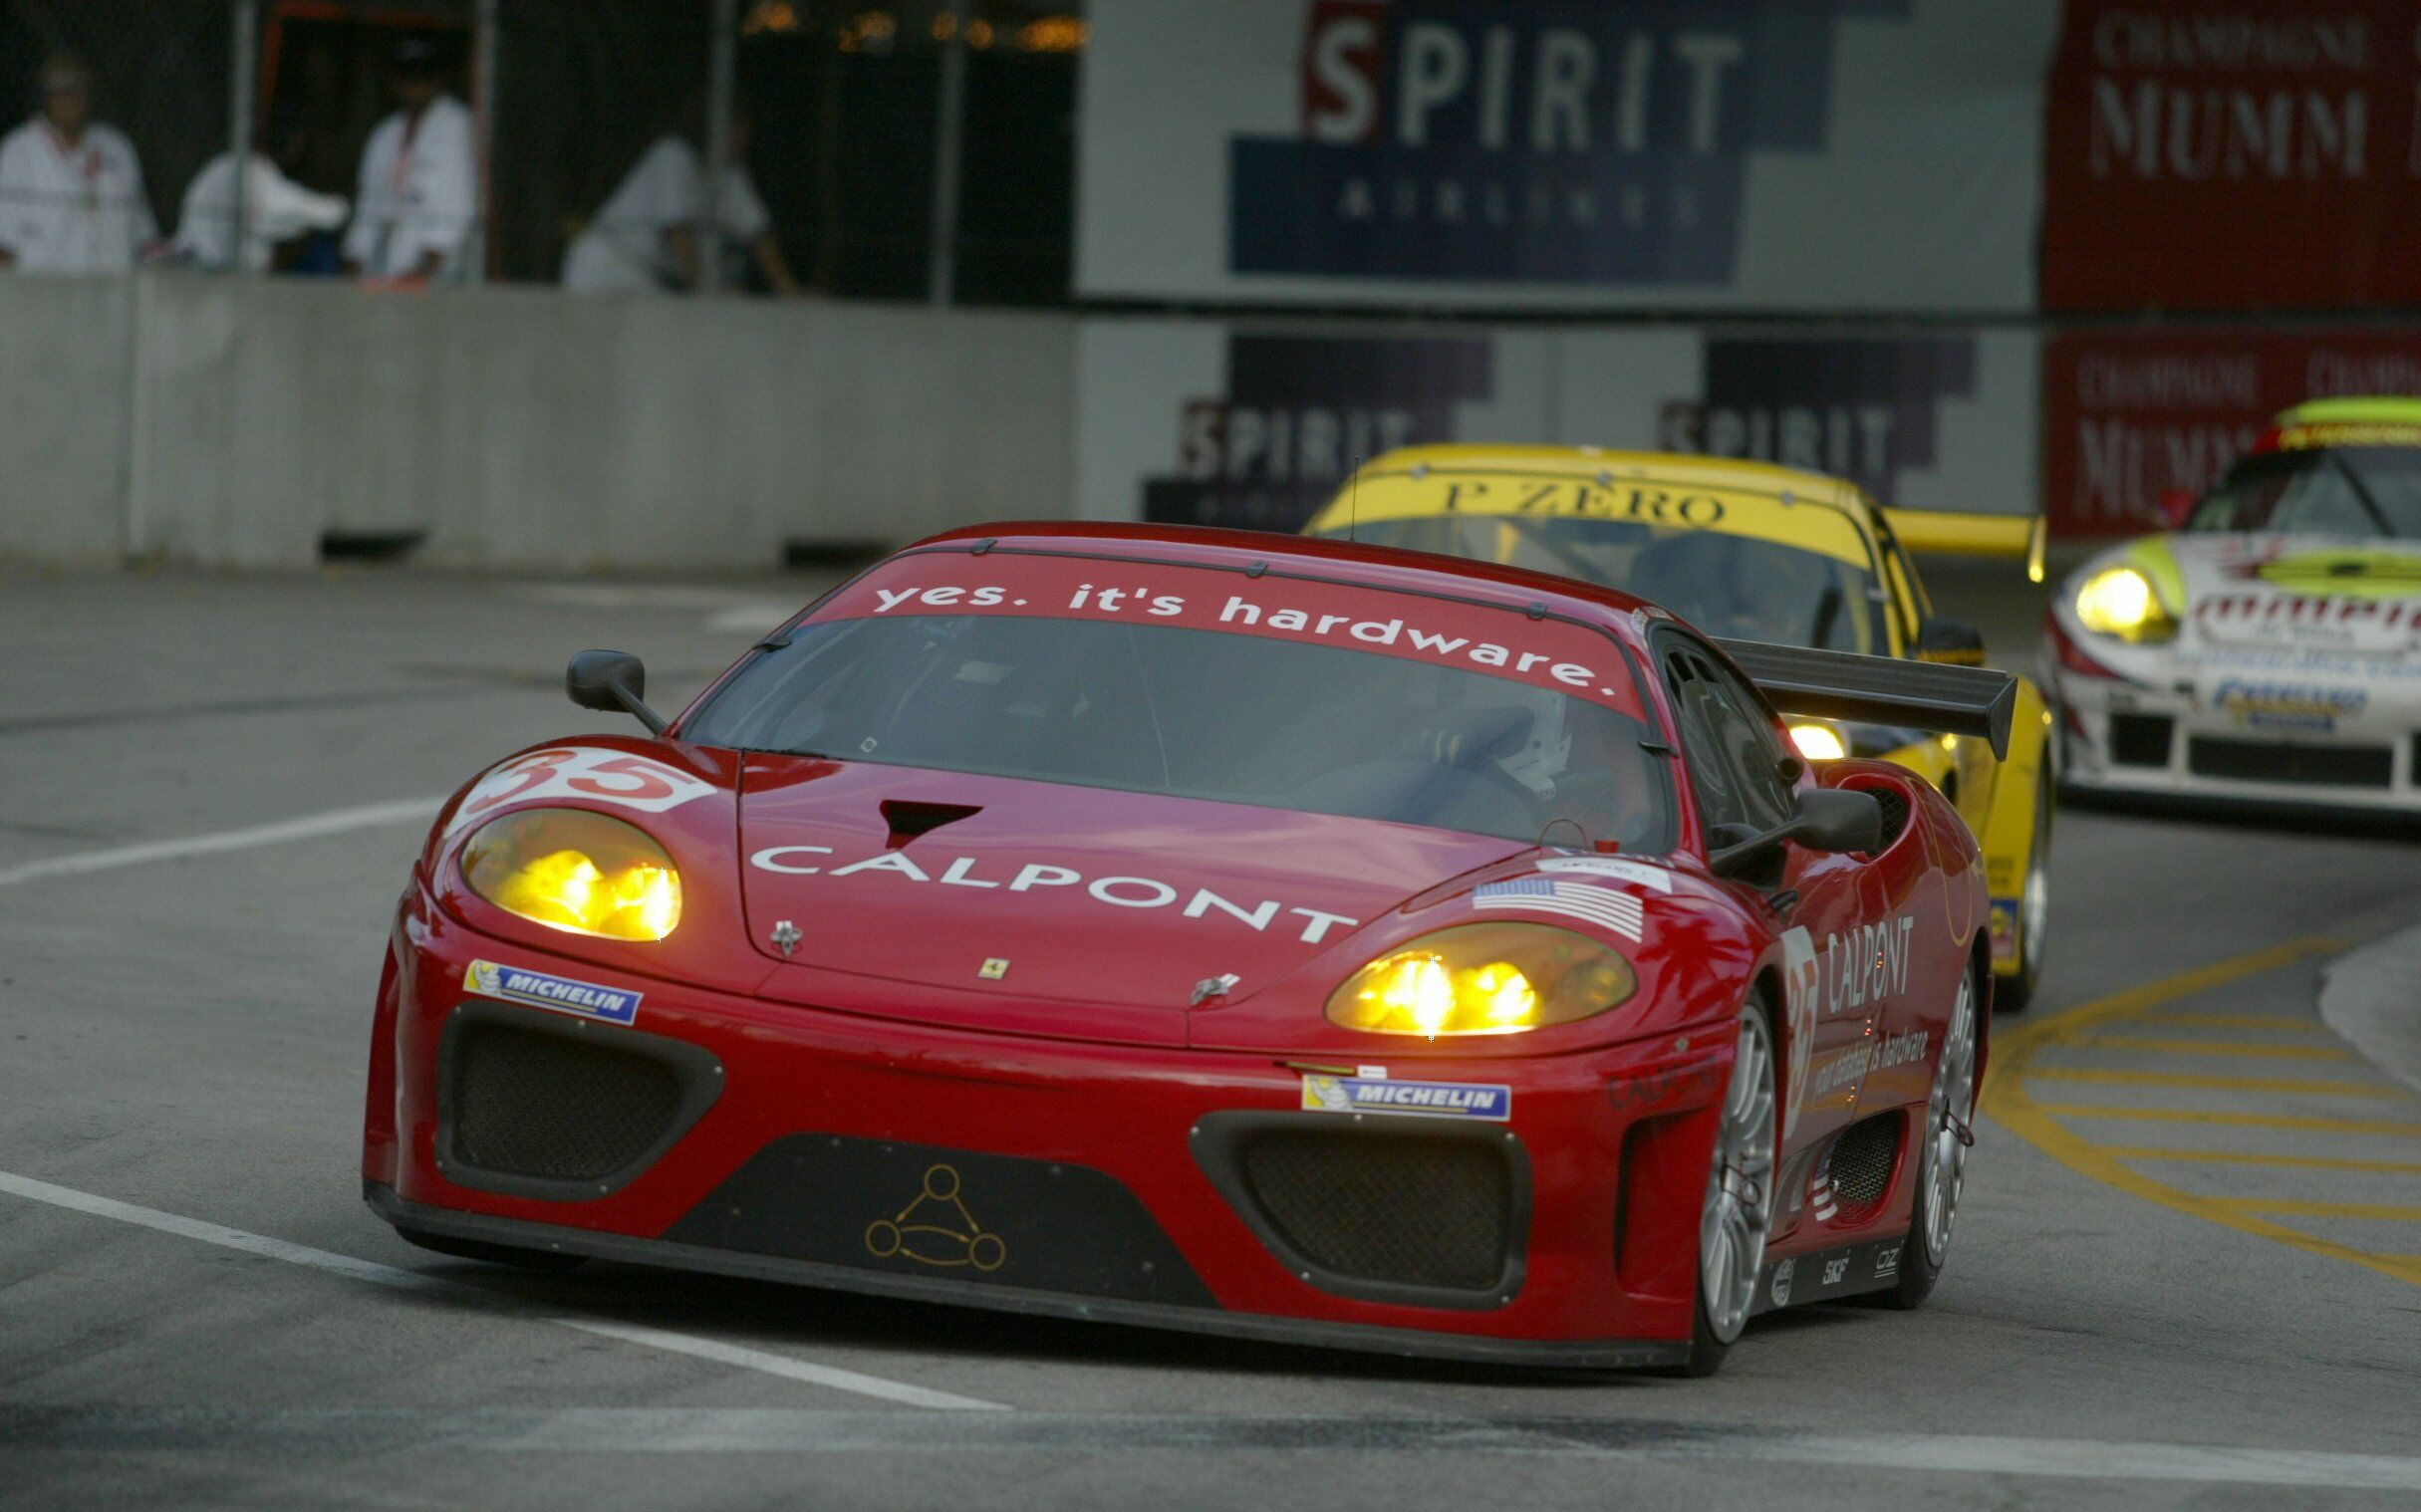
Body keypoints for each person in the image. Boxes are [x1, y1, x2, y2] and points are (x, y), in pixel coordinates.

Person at [560, 115, 800, 295]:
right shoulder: (674, 153)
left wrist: (789, 291)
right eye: (739, 128)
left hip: (652, 279)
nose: (745, 137)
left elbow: (758, 234)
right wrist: (706, 291)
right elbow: (678, 231)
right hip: (608, 263)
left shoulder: (730, 173)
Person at [0, 54, 156, 274]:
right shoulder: (18, 151)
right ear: (46, 97)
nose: (71, 100)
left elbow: (144, 237)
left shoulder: (117, 147)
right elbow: (4, 247)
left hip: (111, 294)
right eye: (62, 92)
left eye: (78, 90)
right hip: (44, 296)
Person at [342, 36, 476, 285]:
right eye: (406, 75)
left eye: (423, 75)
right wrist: (355, 260)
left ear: (439, 77)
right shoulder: (384, 134)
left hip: (437, 276)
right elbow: (368, 204)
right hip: (381, 272)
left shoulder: (459, 127)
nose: (413, 84)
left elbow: (460, 207)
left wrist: (423, 271)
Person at [173, 149, 348, 273]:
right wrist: (331, 207)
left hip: (201, 261)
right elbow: (329, 215)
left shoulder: (227, 163)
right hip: (213, 269)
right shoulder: (256, 173)